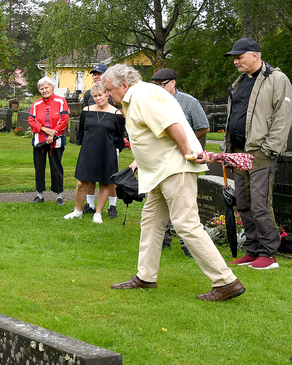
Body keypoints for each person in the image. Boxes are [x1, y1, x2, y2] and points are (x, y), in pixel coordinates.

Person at [103, 64, 244, 301]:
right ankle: (146, 276)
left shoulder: (142, 96)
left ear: (123, 85)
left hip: (174, 168)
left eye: (108, 89)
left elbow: (172, 125)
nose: (107, 94)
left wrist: (188, 152)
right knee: (150, 222)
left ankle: (226, 281)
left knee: (186, 224)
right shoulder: (136, 96)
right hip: (160, 172)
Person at [224, 38, 292, 270]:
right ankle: (252, 251)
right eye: (234, 57)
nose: (235, 61)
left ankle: (269, 253)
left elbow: (283, 117)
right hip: (238, 152)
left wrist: (269, 148)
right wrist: (228, 150)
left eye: (239, 56)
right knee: (243, 202)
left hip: (261, 152)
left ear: (255, 55)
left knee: (260, 203)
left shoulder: (277, 79)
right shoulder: (240, 82)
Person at [150, 68, 211, 255]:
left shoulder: (189, 102)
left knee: (185, 204)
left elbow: (204, 127)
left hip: (186, 159)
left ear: (173, 83)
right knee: (162, 199)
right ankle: (163, 240)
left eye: (162, 85)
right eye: (155, 85)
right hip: (162, 158)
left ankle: (188, 245)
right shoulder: (152, 101)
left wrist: (183, 140)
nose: (159, 88)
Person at [64, 83, 125, 223]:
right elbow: (81, 131)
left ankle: (98, 213)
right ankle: (78, 211)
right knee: (81, 183)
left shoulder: (116, 114)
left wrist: (115, 151)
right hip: (88, 151)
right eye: (95, 96)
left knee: (104, 183)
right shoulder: (86, 110)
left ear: (107, 95)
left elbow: (119, 136)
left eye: (101, 95)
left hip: (107, 152)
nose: (98, 98)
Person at [78, 64, 120, 218]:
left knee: (109, 177)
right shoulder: (89, 94)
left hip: (109, 140)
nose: (96, 76)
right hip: (92, 141)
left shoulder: (115, 92)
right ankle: (90, 204)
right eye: (94, 74)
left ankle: (112, 206)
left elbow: (120, 116)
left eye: (99, 74)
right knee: (90, 176)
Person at [27, 77, 68, 205]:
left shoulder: (61, 101)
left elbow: (64, 119)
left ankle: (59, 195)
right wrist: (45, 130)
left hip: (56, 141)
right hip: (40, 141)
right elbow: (31, 121)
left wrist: (53, 133)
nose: (44, 90)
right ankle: (39, 195)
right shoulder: (36, 104)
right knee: (39, 167)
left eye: (46, 87)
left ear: (52, 87)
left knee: (56, 167)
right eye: (42, 88)